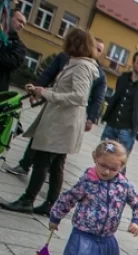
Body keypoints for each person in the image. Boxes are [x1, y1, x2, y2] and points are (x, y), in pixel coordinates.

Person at [0, 28, 98, 216]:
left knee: (42, 161)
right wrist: (40, 90)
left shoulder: (81, 66)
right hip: (64, 122)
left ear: (73, 43)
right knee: (56, 165)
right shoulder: (79, 64)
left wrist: (46, 93)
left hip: (62, 123)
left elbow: (79, 96)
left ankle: (28, 200)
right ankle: (51, 205)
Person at [47, 141, 138, 255]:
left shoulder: (124, 185)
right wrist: (56, 216)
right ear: (95, 158)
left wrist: (137, 221)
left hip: (106, 232)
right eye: (102, 165)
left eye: (113, 168)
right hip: (83, 229)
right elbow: (68, 198)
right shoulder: (87, 181)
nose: (106, 171)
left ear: (121, 167)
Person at [6, 38, 107, 177]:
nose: (95, 51)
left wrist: (91, 117)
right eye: (94, 47)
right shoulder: (66, 57)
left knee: (59, 148)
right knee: (39, 135)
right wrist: (35, 91)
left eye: (99, 50)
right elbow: (48, 73)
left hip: (70, 112)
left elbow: (97, 98)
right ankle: (25, 164)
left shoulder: (98, 74)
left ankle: (48, 175)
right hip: (53, 103)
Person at [98, 51, 138, 158]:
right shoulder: (122, 78)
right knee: (103, 156)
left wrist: (136, 127)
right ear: (133, 63)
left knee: (119, 162)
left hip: (127, 131)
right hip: (111, 125)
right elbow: (116, 97)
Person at [0, 10, 25, 97]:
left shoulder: (18, 46)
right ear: (9, 17)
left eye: (23, 24)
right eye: (19, 21)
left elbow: (11, 62)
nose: (22, 25)